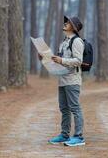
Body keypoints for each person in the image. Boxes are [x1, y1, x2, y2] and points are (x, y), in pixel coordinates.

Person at [39, 15, 85, 147]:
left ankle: (79, 136)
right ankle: (64, 135)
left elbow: (78, 61)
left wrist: (62, 60)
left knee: (75, 108)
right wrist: (45, 58)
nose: (65, 23)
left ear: (74, 27)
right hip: (62, 80)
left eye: (68, 22)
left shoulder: (76, 41)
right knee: (64, 109)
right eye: (65, 21)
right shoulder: (64, 41)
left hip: (72, 80)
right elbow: (58, 60)